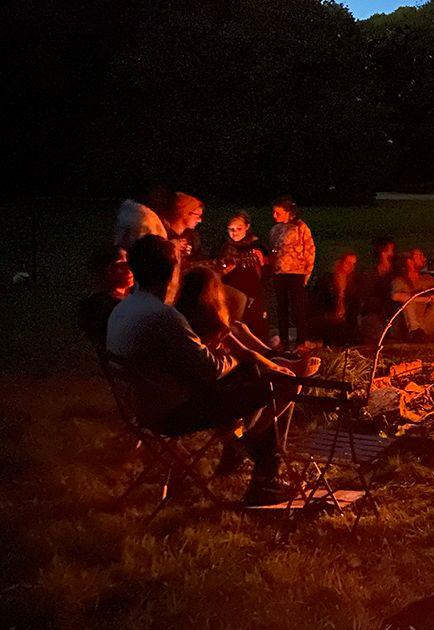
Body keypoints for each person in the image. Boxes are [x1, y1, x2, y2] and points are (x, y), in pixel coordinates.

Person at [106, 236, 295, 506]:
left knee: (250, 378)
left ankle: (243, 449)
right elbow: (211, 370)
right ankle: (261, 472)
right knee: (279, 384)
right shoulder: (163, 316)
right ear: (172, 272)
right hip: (171, 413)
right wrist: (237, 357)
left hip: (142, 407)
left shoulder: (124, 308)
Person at [175, 267, 320, 376]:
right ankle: (275, 360)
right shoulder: (210, 322)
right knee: (286, 380)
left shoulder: (179, 314)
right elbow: (245, 354)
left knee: (239, 328)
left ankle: (274, 356)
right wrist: (276, 367)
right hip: (216, 374)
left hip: (206, 371)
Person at [215, 211, 270, 344]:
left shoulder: (257, 245)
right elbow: (215, 268)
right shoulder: (223, 246)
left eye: (239, 229)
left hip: (253, 290)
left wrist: (263, 262)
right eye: (231, 230)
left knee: (254, 321)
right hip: (231, 289)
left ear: (247, 227)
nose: (235, 233)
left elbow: (268, 269)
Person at [269, 196, 315, 346]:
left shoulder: (300, 227)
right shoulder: (276, 229)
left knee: (297, 307)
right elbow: (272, 250)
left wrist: (307, 272)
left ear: (288, 212)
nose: (274, 216)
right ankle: (283, 340)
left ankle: (301, 340)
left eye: (278, 213)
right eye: (274, 213)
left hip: (296, 272)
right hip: (279, 273)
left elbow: (309, 250)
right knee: (281, 306)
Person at [393, 247, 434, 341]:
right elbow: (395, 296)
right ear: (409, 261)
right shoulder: (400, 281)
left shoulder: (427, 279)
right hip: (405, 328)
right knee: (408, 301)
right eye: (420, 256)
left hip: (425, 324)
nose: (424, 259)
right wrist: (425, 299)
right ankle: (415, 333)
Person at [79, 245, 135, 353]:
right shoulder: (102, 307)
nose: (128, 268)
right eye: (120, 264)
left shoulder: (127, 300)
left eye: (129, 262)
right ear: (106, 269)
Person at [308, 251, 361, 345]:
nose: (351, 267)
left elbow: (354, 306)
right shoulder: (327, 280)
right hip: (327, 318)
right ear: (340, 262)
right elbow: (317, 301)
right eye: (348, 263)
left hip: (346, 321)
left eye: (353, 264)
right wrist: (328, 315)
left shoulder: (354, 283)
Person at [358, 237, 398, 342]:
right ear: (383, 252)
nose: (392, 253)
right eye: (390, 250)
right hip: (373, 313)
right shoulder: (370, 273)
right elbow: (365, 297)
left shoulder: (395, 271)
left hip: (391, 312)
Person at [161, 192, 206, 265]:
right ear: (184, 212)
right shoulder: (162, 234)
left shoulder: (193, 237)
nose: (200, 220)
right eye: (198, 215)